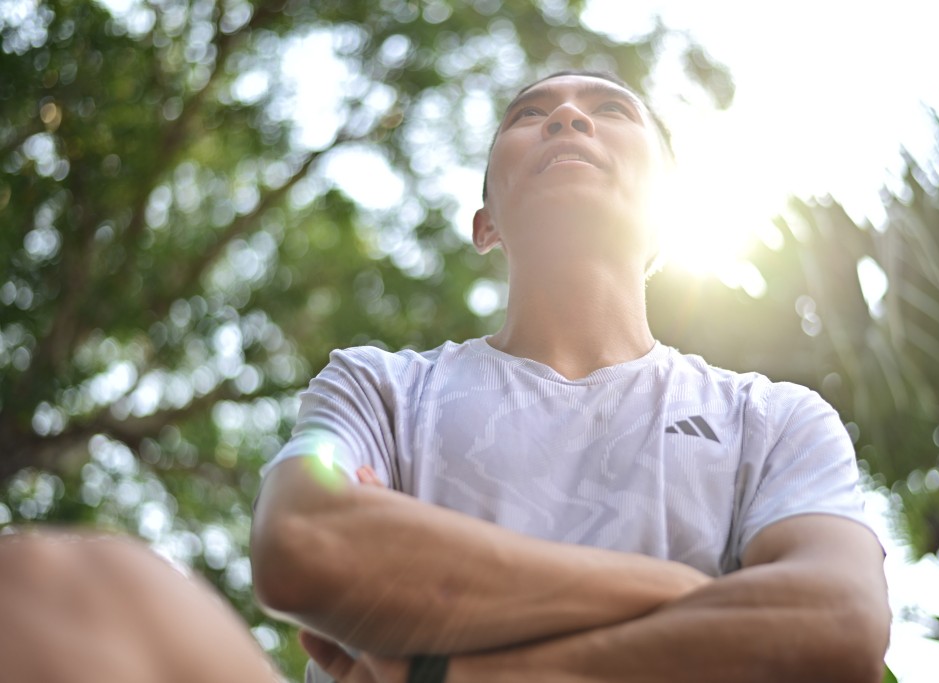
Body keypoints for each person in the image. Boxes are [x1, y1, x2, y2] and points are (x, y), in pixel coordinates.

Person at [250, 70, 891, 682]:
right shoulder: (377, 390)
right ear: (486, 225)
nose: (566, 116)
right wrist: (685, 594)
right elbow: (300, 539)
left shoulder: (773, 420)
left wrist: (453, 671)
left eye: (611, 111)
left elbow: (839, 626)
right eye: (528, 115)